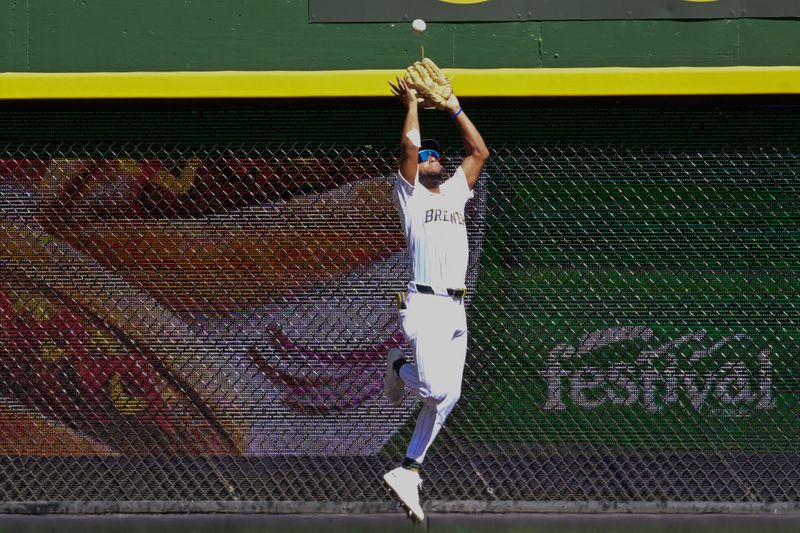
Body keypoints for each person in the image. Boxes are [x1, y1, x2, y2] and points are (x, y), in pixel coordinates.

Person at [383, 76, 489, 522]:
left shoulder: (454, 192)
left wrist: (454, 106)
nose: (430, 157)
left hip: (455, 307)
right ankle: (397, 367)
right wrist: (411, 104)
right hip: (424, 303)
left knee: (449, 396)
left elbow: (480, 153)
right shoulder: (409, 196)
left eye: (435, 155)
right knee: (431, 388)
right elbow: (408, 150)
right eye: (426, 155)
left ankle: (409, 469)